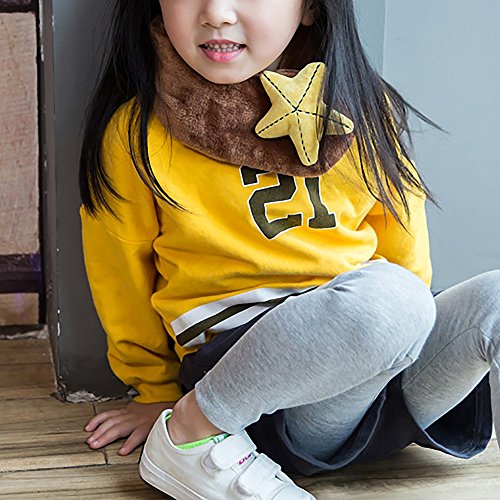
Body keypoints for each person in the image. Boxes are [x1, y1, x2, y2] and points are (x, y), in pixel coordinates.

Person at [79, 1, 500, 498]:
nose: (217, 13)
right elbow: (120, 278)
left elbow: (404, 246)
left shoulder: (364, 110)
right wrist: (155, 391)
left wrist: (399, 333)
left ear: (311, 8)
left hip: (378, 369)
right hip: (254, 393)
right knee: (393, 300)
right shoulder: (138, 132)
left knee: (483, 299)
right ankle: (193, 429)